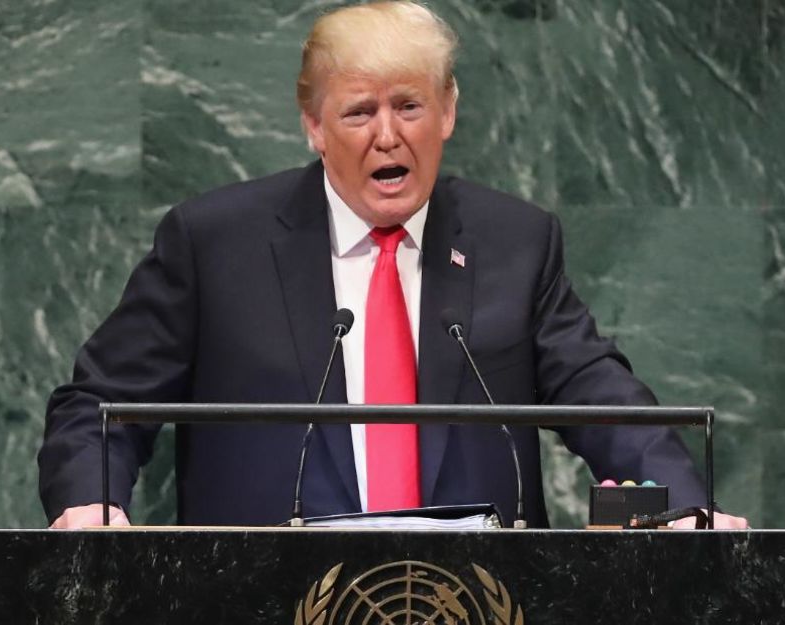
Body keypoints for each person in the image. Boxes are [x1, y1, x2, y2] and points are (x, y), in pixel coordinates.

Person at [39, 1, 747, 530]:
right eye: (358, 112)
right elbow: (99, 402)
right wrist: (89, 498)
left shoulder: (514, 242)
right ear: (313, 125)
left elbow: (600, 395)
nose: (388, 135)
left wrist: (682, 504)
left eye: (409, 105)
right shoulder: (215, 242)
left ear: (448, 111)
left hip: (470, 600)